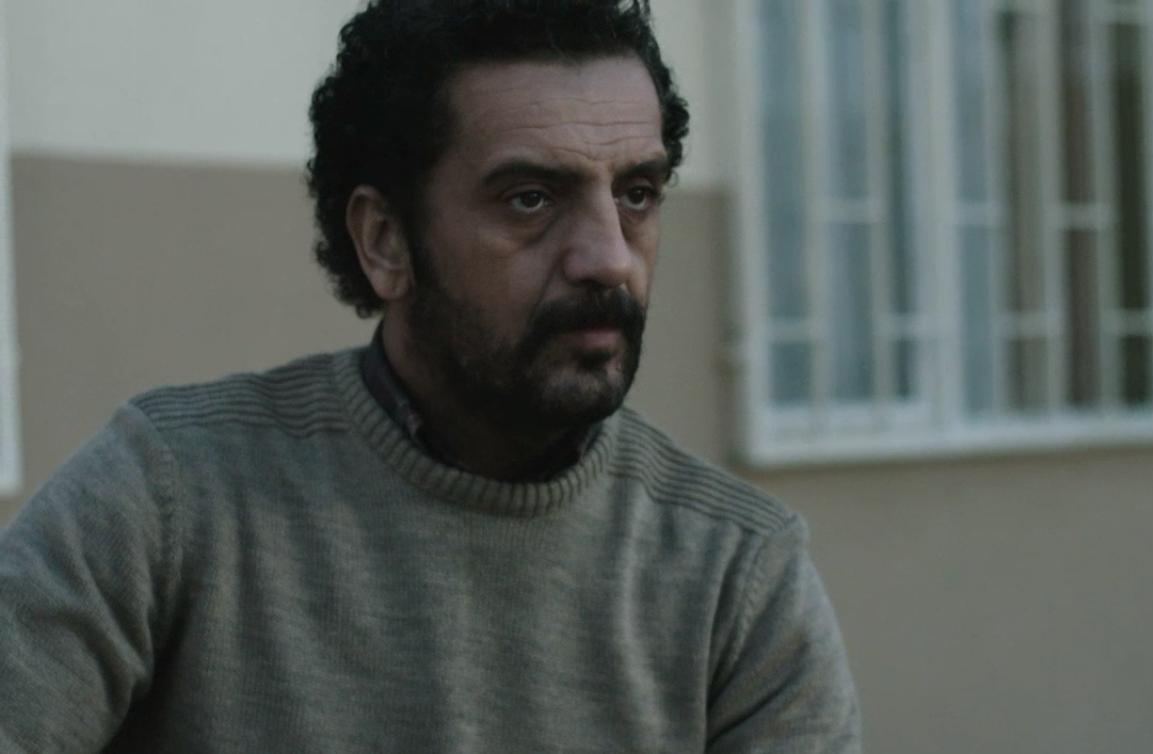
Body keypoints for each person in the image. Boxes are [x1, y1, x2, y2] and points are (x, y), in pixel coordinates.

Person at [0, 1, 861, 751]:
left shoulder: (739, 578)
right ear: (384, 240)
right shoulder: (168, 499)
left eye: (636, 194)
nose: (608, 257)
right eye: (531, 199)